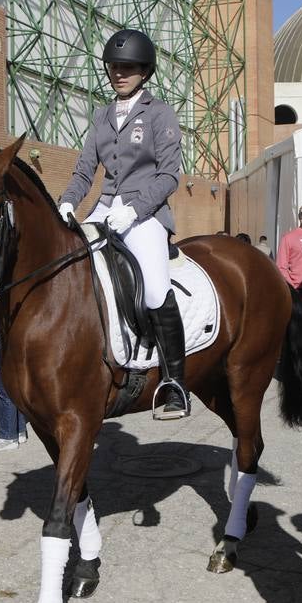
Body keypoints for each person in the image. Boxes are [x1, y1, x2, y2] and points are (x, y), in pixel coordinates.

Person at [57, 28, 190, 420]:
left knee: (153, 288)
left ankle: (174, 383)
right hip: (103, 208)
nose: (120, 73)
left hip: (144, 213)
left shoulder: (160, 113)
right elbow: (85, 170)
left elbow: (169, 176)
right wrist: (67, 202)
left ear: (144, 71)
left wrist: (135, 210)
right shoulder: (100, 116)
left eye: (128, 67)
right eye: (115, 66)